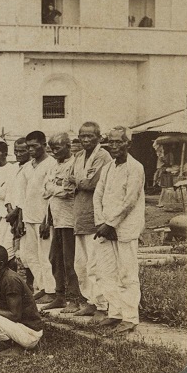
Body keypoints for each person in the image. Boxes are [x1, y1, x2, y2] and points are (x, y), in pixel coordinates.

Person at [92, 126, 146, 335]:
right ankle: (115, 312)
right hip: (105, 228)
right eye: (111, 142)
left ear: (128, 144)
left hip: (125, 229)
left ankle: (130, 318)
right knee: (106, 272)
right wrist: (101, 223)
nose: (114, 146)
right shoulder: (108, 167)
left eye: (118, 142)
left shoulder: (136, 168)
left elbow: (129, 201)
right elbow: (98, 195)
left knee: (127, 274)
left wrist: (112, 224)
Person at [72, 122, 113, 318]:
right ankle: (89, 300)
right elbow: (69, 180)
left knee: (96, 264)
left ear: (99, 137)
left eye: (90, 136)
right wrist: (79, 182)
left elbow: (92, 183)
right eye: (82, 136)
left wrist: (78, 182)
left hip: (94, 216)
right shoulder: (79, 156)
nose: (85, 140)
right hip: (79, 216)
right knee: (81, 264)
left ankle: (102, 305)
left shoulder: (103, 156)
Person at [42, 132, 79, 312]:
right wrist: (55, 187)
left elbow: (68, 191)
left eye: (57, 148)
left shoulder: (75, 164)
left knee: (69, 260)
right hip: (56, 219)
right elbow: (46, 188)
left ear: (68, 146)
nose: (54, 152)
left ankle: (74, 299)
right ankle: (60, 296)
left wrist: (53, 188)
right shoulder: (53, 166)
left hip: (70, 219)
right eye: (52, 149)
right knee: (55, 258)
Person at [20, 131, 55, 303]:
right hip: (29, 216)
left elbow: (51, 195)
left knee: (45, 255)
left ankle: (51, 290)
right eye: (29, 147)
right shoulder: (28, 166)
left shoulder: (51, 164)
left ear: (44, 144)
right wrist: (21, 217)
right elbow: (23, 194)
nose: (31, 149)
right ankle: (41, 287)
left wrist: (47, 220)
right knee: (30, 255)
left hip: (44, 218)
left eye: (35, 146)